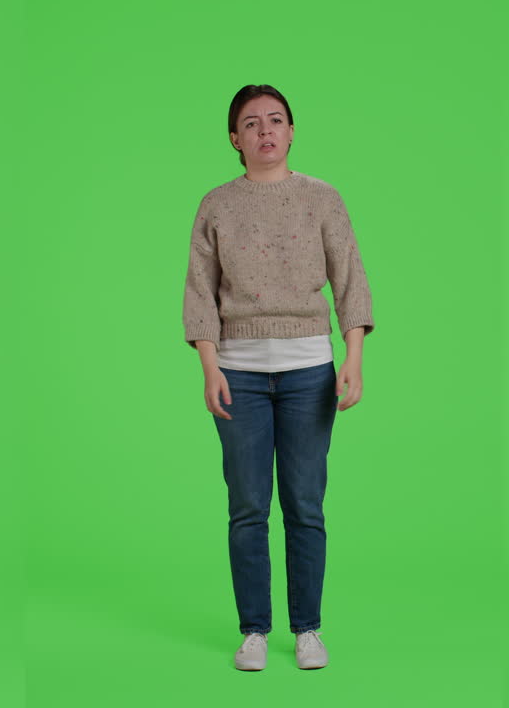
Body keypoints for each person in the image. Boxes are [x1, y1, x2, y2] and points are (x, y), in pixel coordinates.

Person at [183, 84, 374, 671]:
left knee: (305, 504)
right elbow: (200, 290)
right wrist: (209, 365)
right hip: (238, 372)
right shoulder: (216, 204)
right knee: (246, 507)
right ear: (234, 139)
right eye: (251, 123)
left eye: (276, 120)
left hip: (308, 372)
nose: (265, 130)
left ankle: (308, 628)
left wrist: (354, 356)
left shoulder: (322, 198)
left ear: (291, 131)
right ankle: (254, 631)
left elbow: (350, 279)